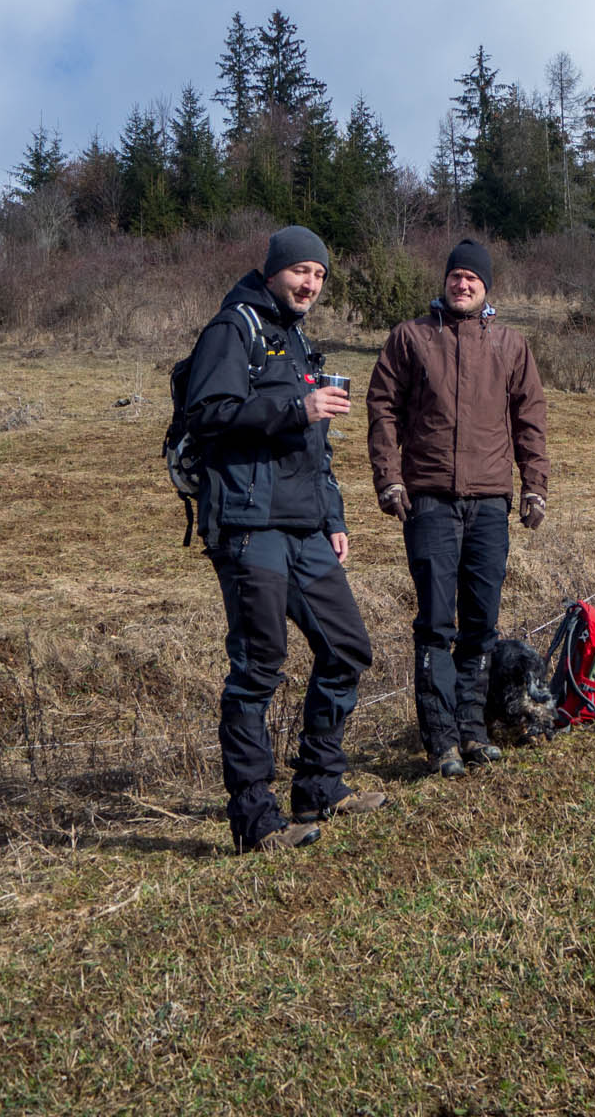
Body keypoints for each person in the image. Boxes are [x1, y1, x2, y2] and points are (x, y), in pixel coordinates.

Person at [183, 225, 387, 852]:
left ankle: (321, 783)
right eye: (302, 271)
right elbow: (209, 414)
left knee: (347, 646)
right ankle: (253, 818)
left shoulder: (295, 340)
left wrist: (335, 518)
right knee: (258, 668)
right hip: (249, 525)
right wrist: (295, 409)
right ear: (273, 270)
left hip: (304, 527)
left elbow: (315, 450)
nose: (311, 284)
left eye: (320, 275)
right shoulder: (232, 329)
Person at [366, 238, 549, 777]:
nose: (462, 284)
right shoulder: (411, 339)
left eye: (473, 277)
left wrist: (535, 484)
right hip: (430, 503)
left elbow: (531, 420)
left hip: (490, 502)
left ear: (486, 287)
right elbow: (383, 411)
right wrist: (389, 480)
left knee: (481, 625)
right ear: (444, 282)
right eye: (455, 276)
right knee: (435, 626)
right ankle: (441, 739)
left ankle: (473, 729)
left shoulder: (510, 345)